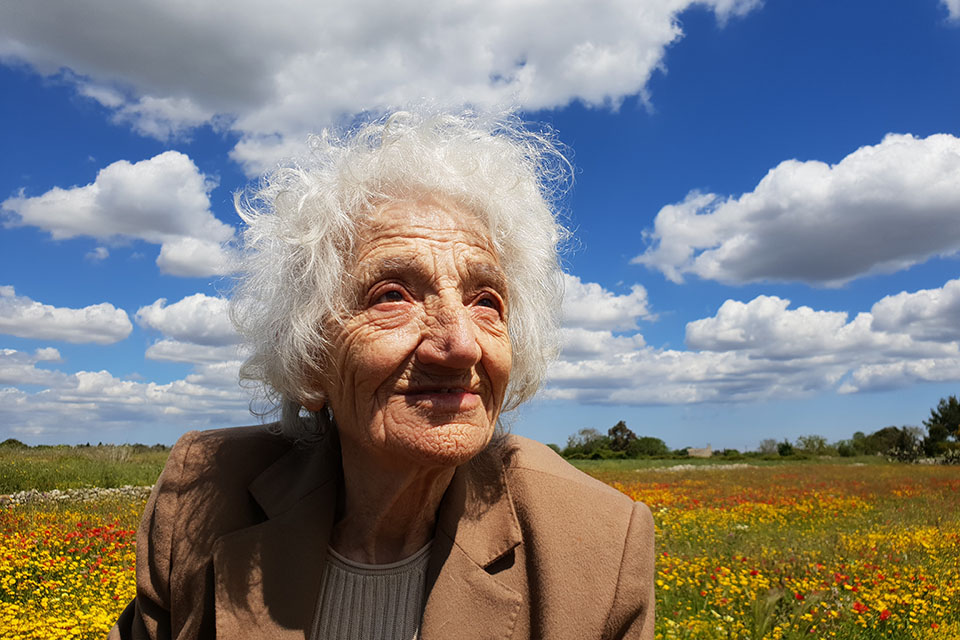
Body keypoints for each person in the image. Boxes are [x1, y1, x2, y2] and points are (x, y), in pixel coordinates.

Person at [109, 111, 655, 640]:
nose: (461, 344)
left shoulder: (598, 543)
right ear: (308, 362)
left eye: (486, 302)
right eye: (391, 295)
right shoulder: (202, 497)